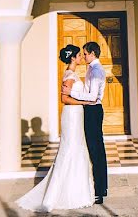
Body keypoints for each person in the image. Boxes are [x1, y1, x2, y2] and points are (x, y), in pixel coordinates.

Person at [16, 45, 95, 212]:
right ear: (73, 57)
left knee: (77, 148)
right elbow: (64, 98)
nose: (81, 57)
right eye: (79, 55)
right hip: (72, 115)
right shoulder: (70, 75)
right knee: (71, 149)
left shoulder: (72, 74)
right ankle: (64, 193)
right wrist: (84, 102)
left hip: (76, 114)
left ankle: (76, 190)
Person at [63, 41, 107, 205]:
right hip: (90, 110)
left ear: (92, 54)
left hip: (93, 111)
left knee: (96, 151)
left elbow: (92, 97)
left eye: (85, 54)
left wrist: (71, 92)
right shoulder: (91, 69)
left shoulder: (96, 71)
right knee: (95, 150)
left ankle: (99, 192)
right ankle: (101, 188)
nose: (84, 56)